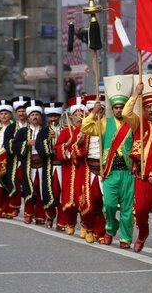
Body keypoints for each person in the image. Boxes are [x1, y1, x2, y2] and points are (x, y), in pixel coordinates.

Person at [80, 76, 135, 248]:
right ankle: (111, 227)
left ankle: (126, 237)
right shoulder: (104, 123)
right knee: (109, 205)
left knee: (127, 208)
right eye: (116, 107)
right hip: (110, 171)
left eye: (122, 107)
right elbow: (86, 128)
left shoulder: (133, 122)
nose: (119, 110)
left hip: (127, 171)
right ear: (113, 109)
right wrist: (93, 113)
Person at [123, 75, 152, 256]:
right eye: (148, 106)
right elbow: (125, 113)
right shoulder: (138, 123)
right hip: (141, 174)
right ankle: (143, 232)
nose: (151, 109)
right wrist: (135, 94)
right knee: (140, 209)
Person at [13, 100, 55, 225]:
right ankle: (28, 214)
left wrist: (49, 139)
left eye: (37, 114)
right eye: (32, 115)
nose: (35, 117)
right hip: (29, 165)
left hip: (43, 165)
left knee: (43, 190)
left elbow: (52, 148)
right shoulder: (22, 132)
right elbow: (15, 146)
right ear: (29, 117)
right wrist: (26, 143)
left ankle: (42, 216)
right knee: (29, 190)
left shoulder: (46, 130)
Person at [77, 95, 107, 243]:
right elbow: (77, 155)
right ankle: (88, 228)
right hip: (89, 169)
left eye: (100, 111)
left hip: (104, 169)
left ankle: (100, 232)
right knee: (90, 202)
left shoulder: (108, 126)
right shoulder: (85, 130)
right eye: (94, 112)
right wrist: (79, 142)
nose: (97, 114)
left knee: (103, 203)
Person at [55, 98, 87, 235]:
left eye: (82, 114)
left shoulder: (87, 130)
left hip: (82, 168)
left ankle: (86, 225)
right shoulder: (64, 132)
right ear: (72, 116)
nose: (78, 116)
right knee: (68, 199)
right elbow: (58, 150)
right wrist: (67, 144)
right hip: (69, 169)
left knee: (83, 198)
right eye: (76, 114)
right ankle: (70, 222)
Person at [37, 102, 65, 229]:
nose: (53, 119)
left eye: (55, 116)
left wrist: (60, 139)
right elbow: (39, 149)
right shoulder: (43, 132)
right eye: (50, 116)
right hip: (49, 166)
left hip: (63, 166)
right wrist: (47, 140)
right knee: (50, 192)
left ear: (59, 116)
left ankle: (62, 221)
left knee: (63, 193)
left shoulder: (65, 130)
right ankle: (50, 215)